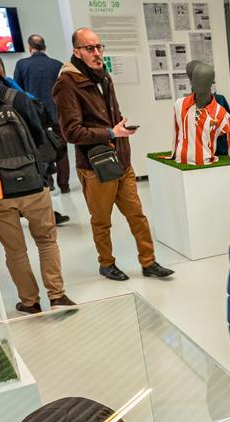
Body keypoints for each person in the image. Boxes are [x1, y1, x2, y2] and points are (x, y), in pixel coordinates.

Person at [0, 33, 74, 315]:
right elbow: (38, 137)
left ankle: (29, 302)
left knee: (15, 250)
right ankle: (57, 296)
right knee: (46, 241)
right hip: (33, 183)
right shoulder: (18, 96)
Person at [52, 28, 174, 281]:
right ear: (77, 51)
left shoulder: (103, 76)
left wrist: (120, 128)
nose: (97, 53)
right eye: (90, 48)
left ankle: (149, 262)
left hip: (121, 160)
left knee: (137, 215)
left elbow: (111, 113)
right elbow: (71, 133)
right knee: (102, 221)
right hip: (95, 167)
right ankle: (106, 263)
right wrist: (110, 132)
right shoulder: (66, 84)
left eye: (99, 47)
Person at [14, 33, 70, 194]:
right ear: (45, 47)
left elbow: (18, 91)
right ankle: (64, 185)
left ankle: (48, 182)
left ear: (29, 48)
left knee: (41, 148)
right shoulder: (58, 65)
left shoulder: (22, 65)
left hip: (35, 115)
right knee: (62, 147)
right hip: (58, 113)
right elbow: (65, 91)